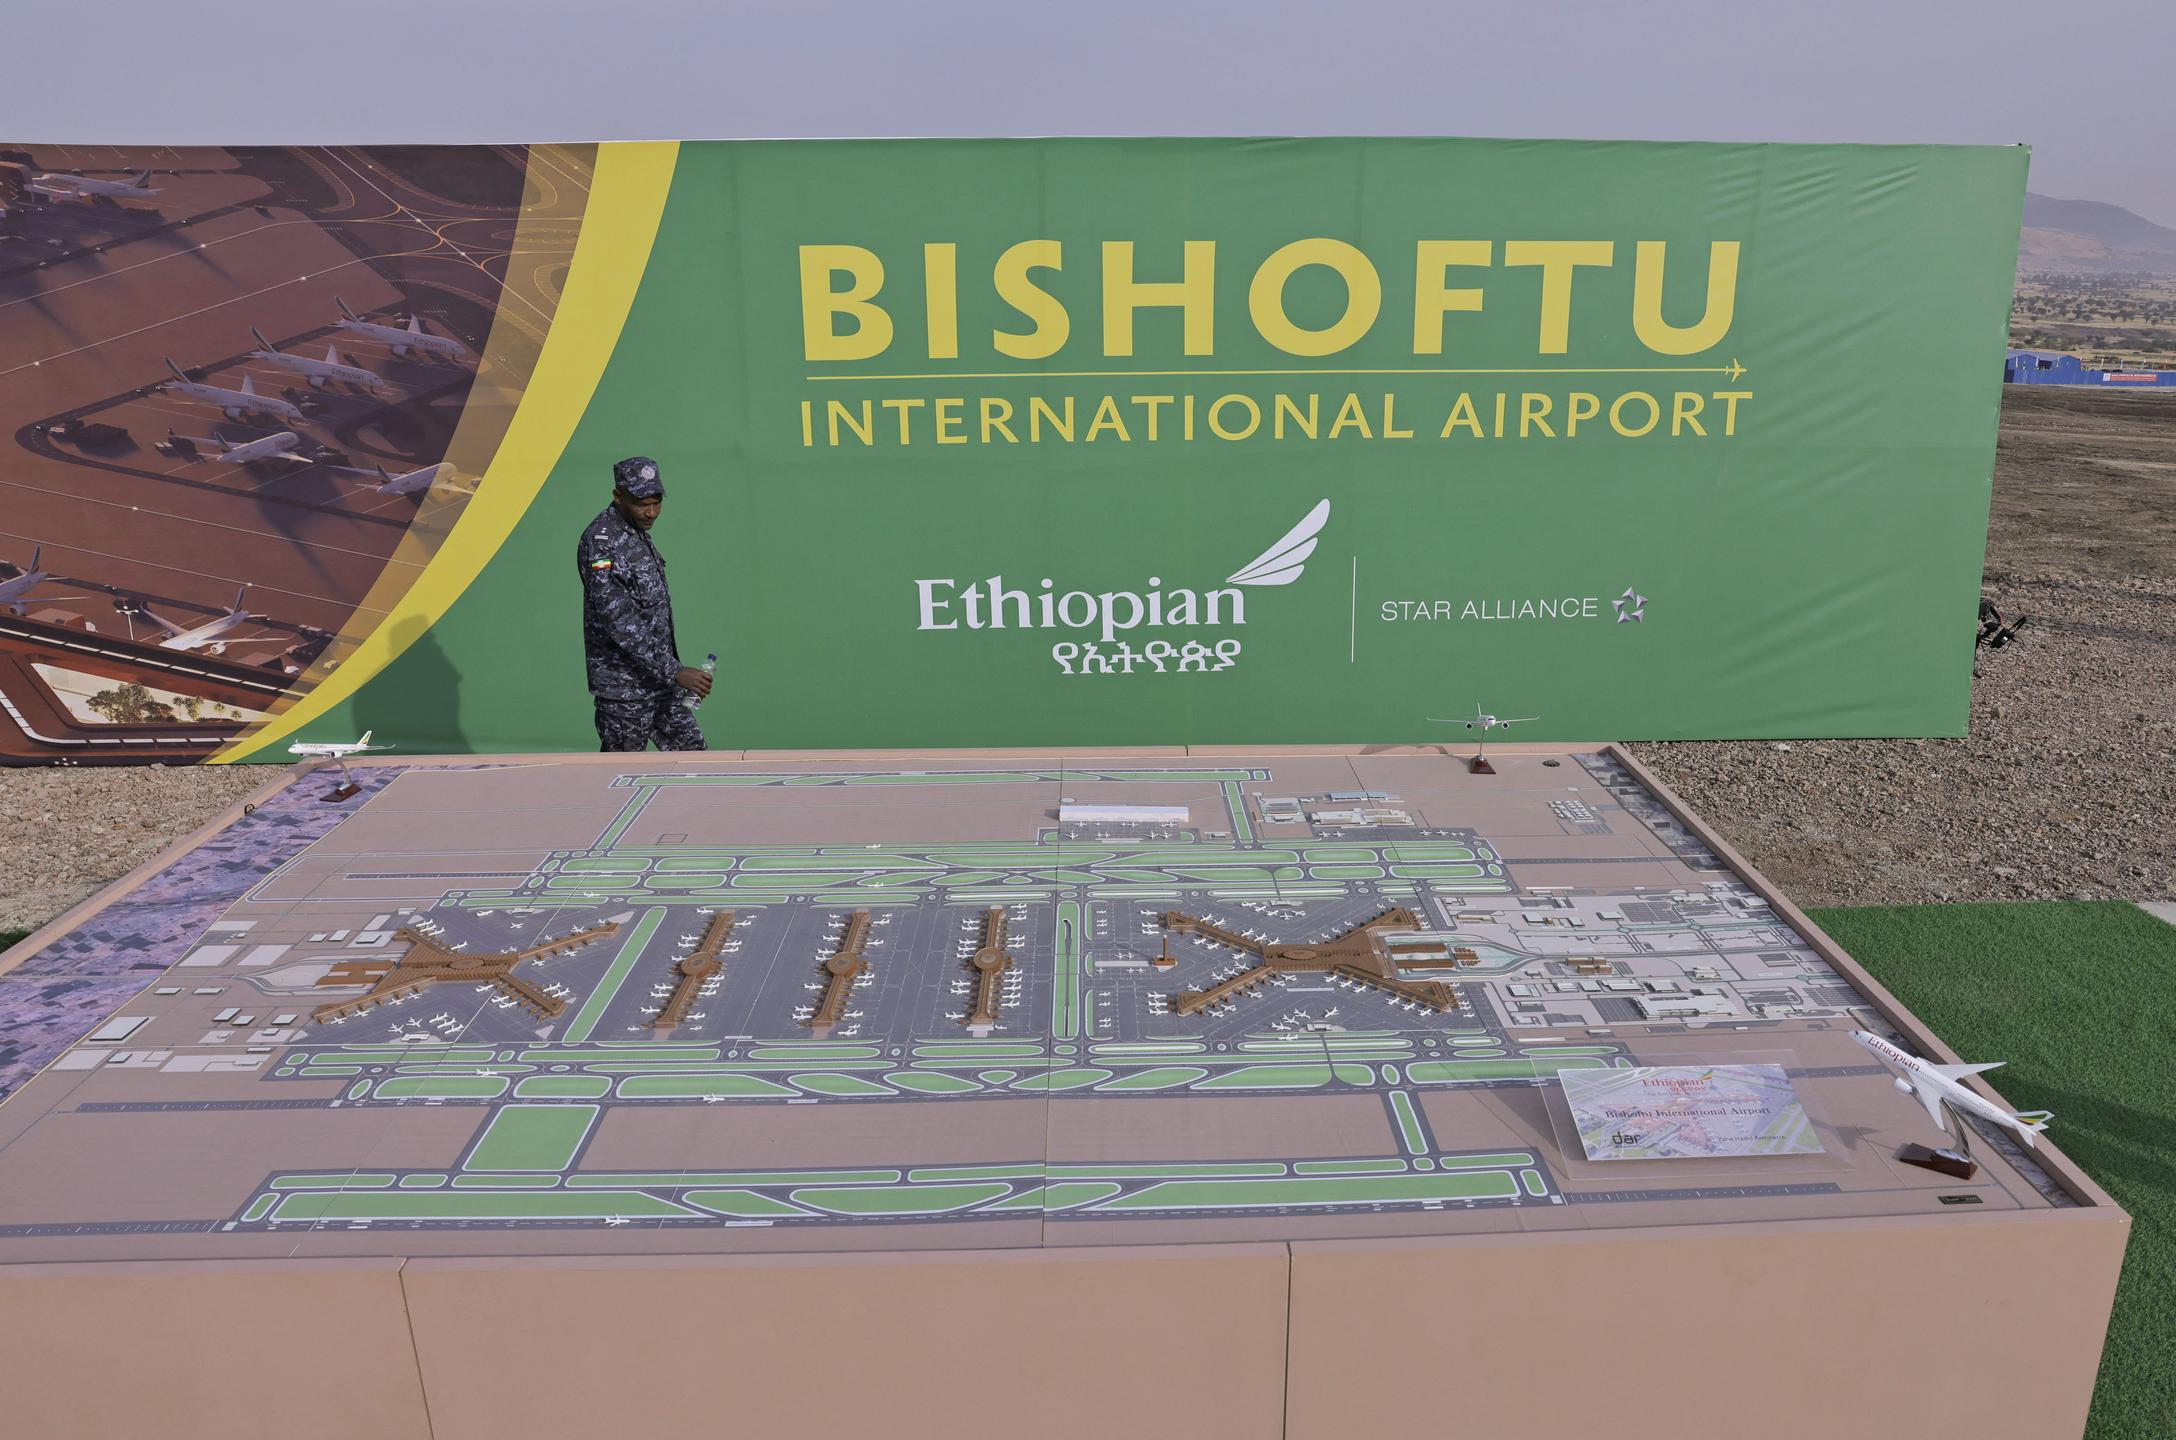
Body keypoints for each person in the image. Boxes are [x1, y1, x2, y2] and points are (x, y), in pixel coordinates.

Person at [577, 455, 712, 751]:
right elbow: (618, 620)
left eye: (656, 502)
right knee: (622, 772)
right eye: (641, 504)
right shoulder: (601, 542)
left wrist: (669, 674)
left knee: (695, 758)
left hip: (659, 683)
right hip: (624, 693)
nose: (651, 512)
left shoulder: (636, 533)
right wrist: (675, 670)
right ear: (618, 496)